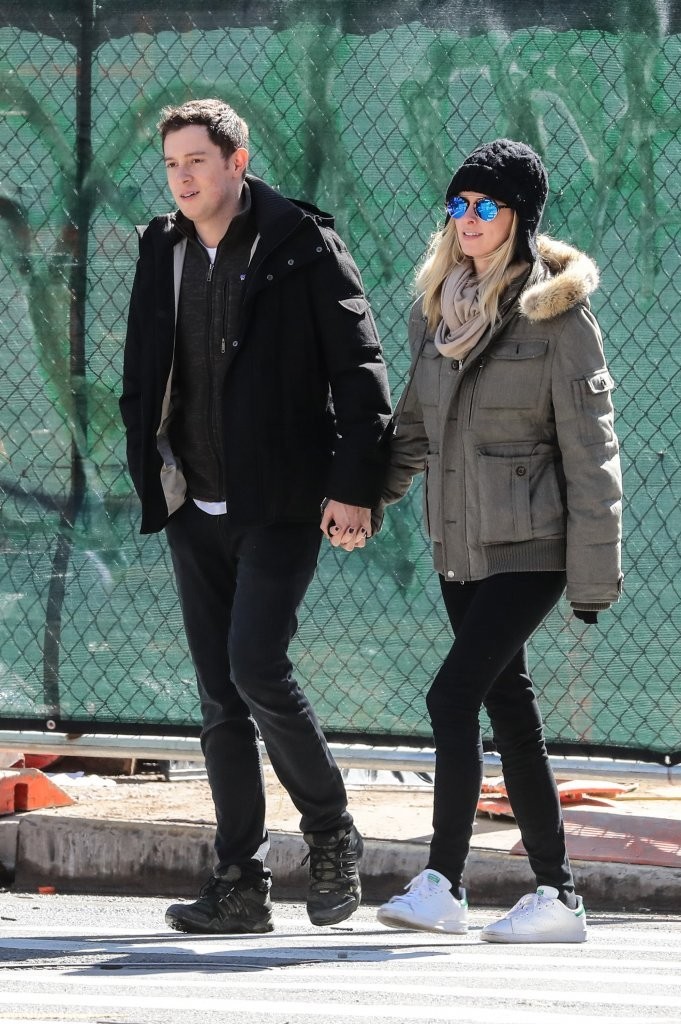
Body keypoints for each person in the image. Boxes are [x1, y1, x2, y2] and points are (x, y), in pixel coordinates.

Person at [120, 98, 392, 934]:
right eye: (172, 164)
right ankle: (238, 881)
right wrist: (148, 460)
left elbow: (360, 371)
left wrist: (354, 486)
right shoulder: (162, 248)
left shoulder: (301, 244)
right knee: (218, 697)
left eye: (196, 161)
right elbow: (143, 367)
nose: (182, 178)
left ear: (237, 163)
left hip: (278, 501)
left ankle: (330, 832)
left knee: (255, 666)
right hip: (191, 502)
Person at [375, 139, 622, 943]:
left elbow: (591, 450)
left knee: (451, 698)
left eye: (486, 205)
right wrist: (361, 501)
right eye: (458, 204)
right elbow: (414, 430)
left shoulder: (556, 314)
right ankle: (558, 896)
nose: (469, 218)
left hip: (532, 546)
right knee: (508, 708)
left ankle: (442, 882)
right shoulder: (437, 308)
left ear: (519, 217)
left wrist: (592, 575)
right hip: (460, 546)